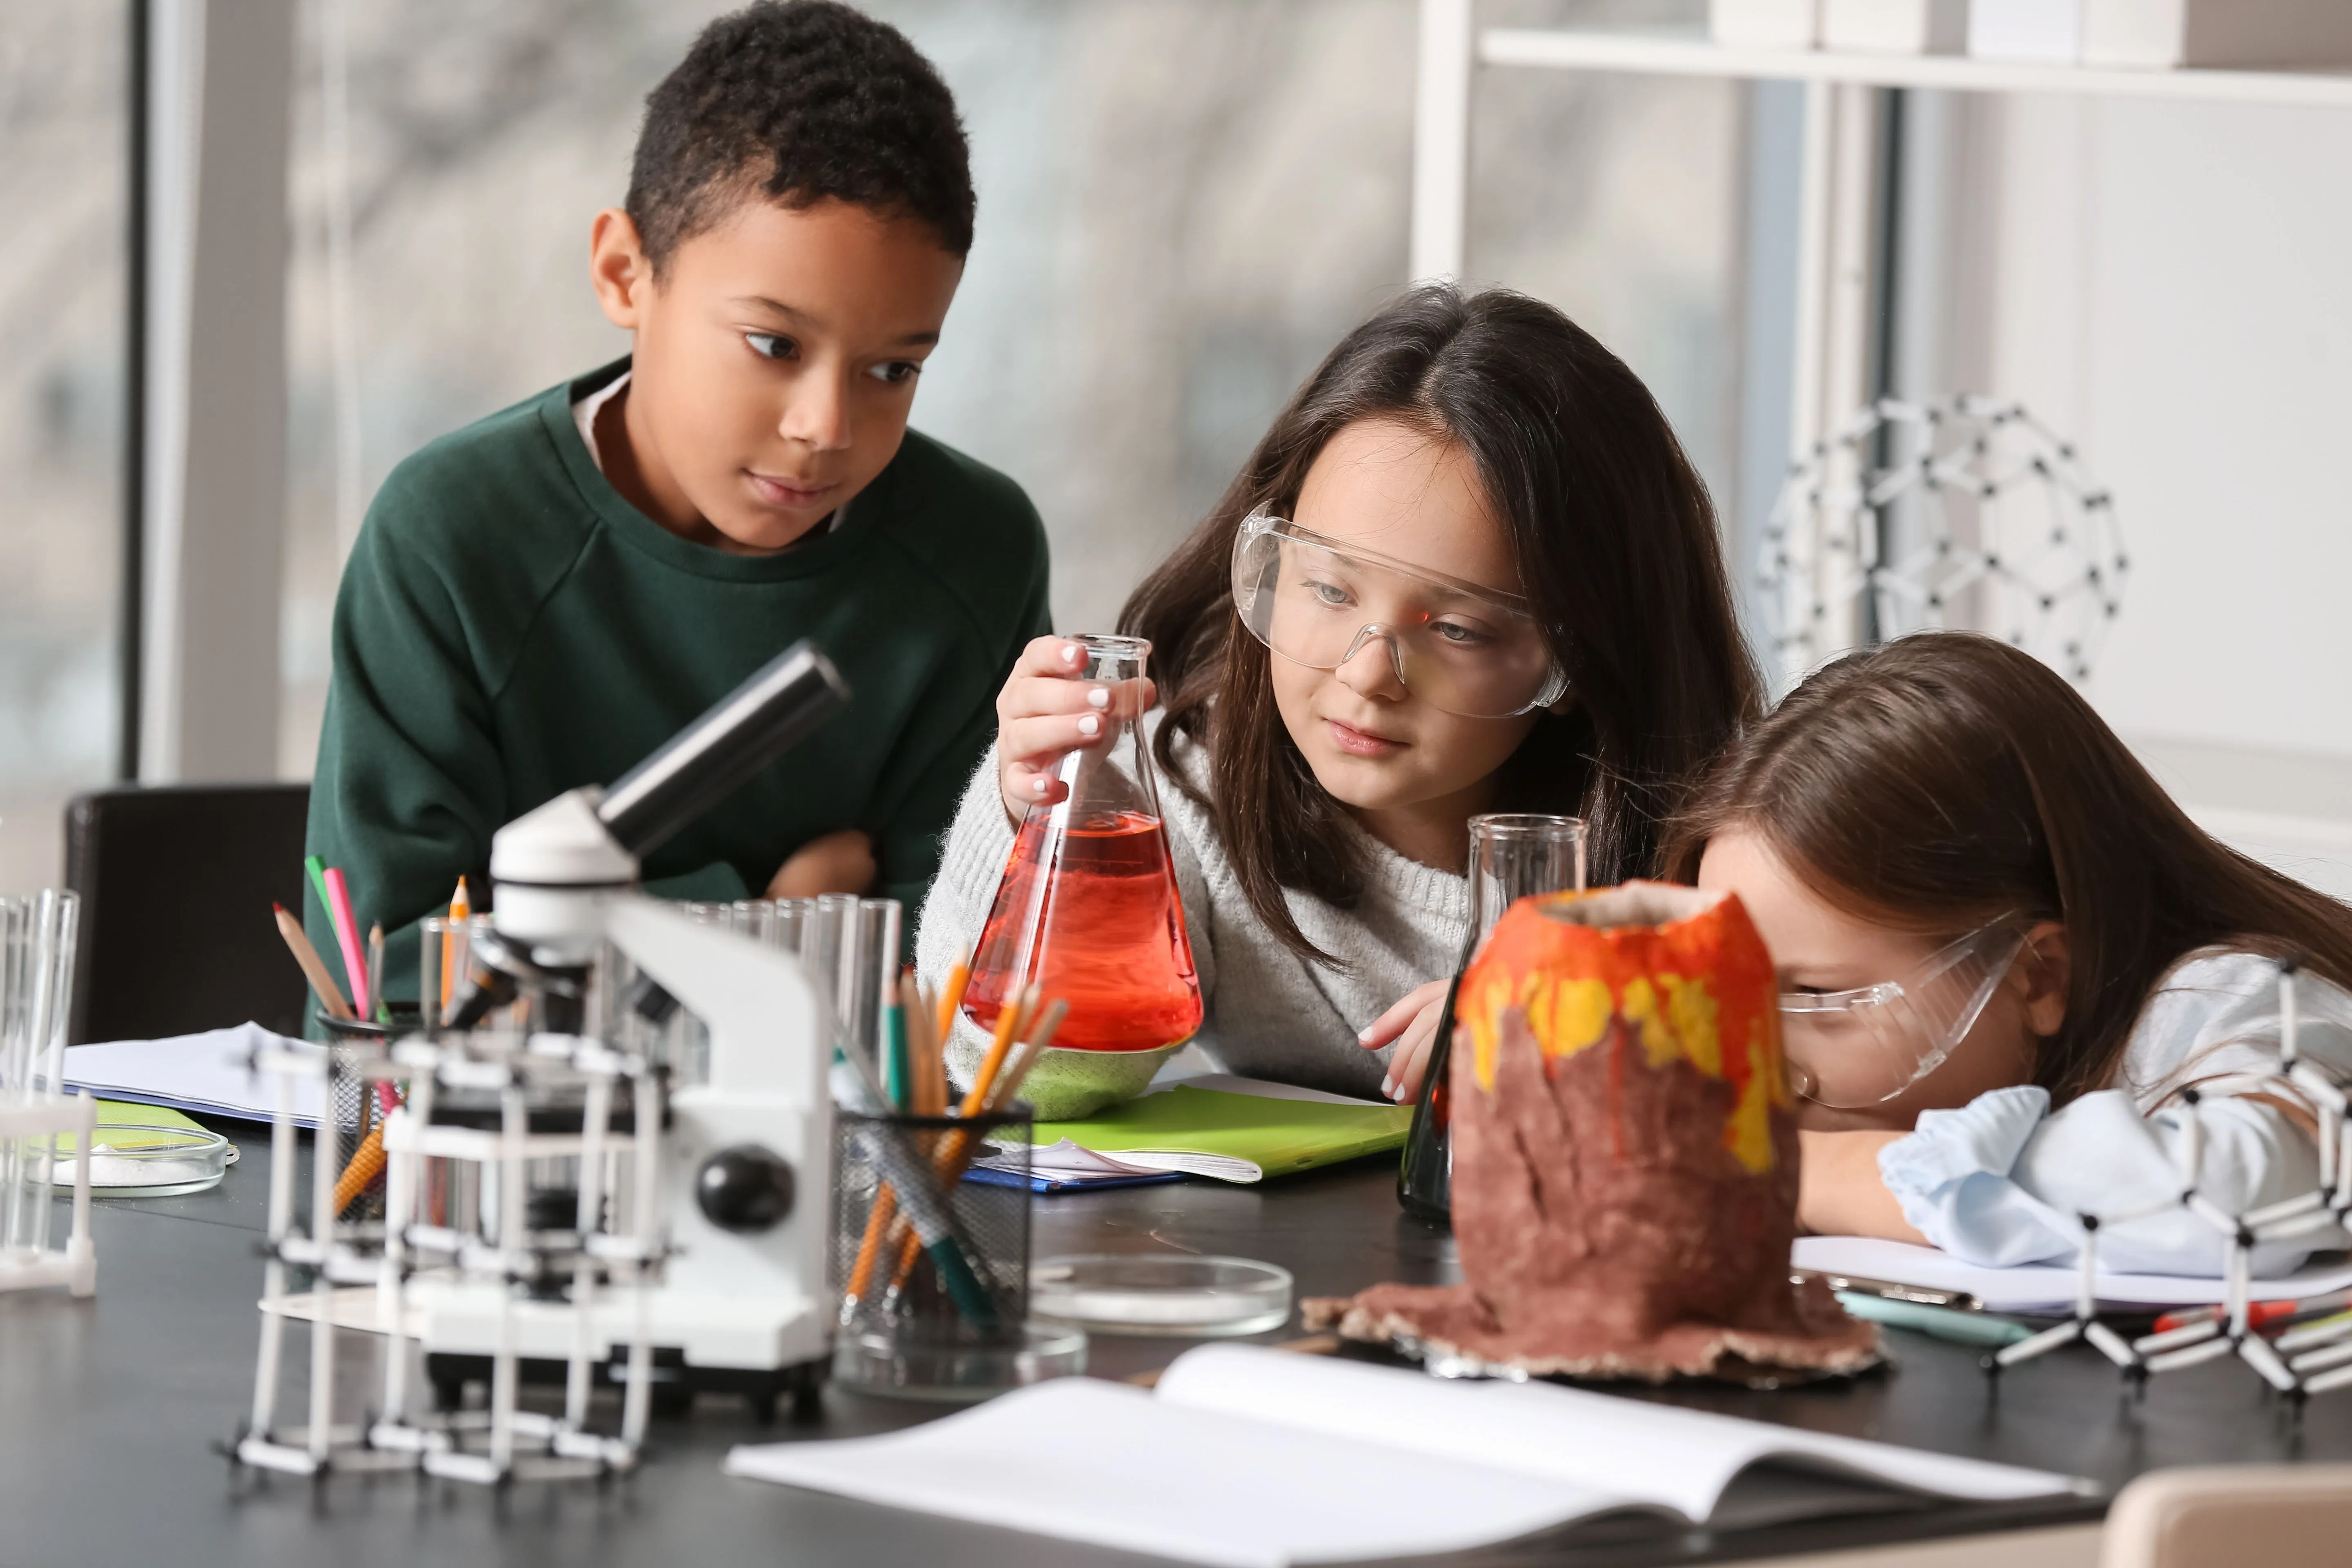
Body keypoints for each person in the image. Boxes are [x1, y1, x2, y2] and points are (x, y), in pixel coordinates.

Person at [306, 1, 1049, 1007]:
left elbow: (965, 979)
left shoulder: (977, 551)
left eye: (891, 369)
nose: (826, 427)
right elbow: (385, 981)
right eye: (774, 345)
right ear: (626, 273)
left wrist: (612, 936)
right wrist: (772, 911)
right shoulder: (451, 534)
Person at [916, 285, 1760, 1101]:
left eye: (1457, 630)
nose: (1366, 676)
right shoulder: (1186, 791)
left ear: (1580, 660)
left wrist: (1586, 1029)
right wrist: (1056, 825)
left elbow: (1810, 1105)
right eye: (1328, 591)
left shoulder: (1707, 859)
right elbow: (1033, 1077)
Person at [1668, 632, 2352, 1275]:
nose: (1750, 1060)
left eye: (1816, 997)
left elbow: (2240, 1190)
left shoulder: (2232, 1001)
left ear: (2038, 978)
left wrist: (1809, 1173)